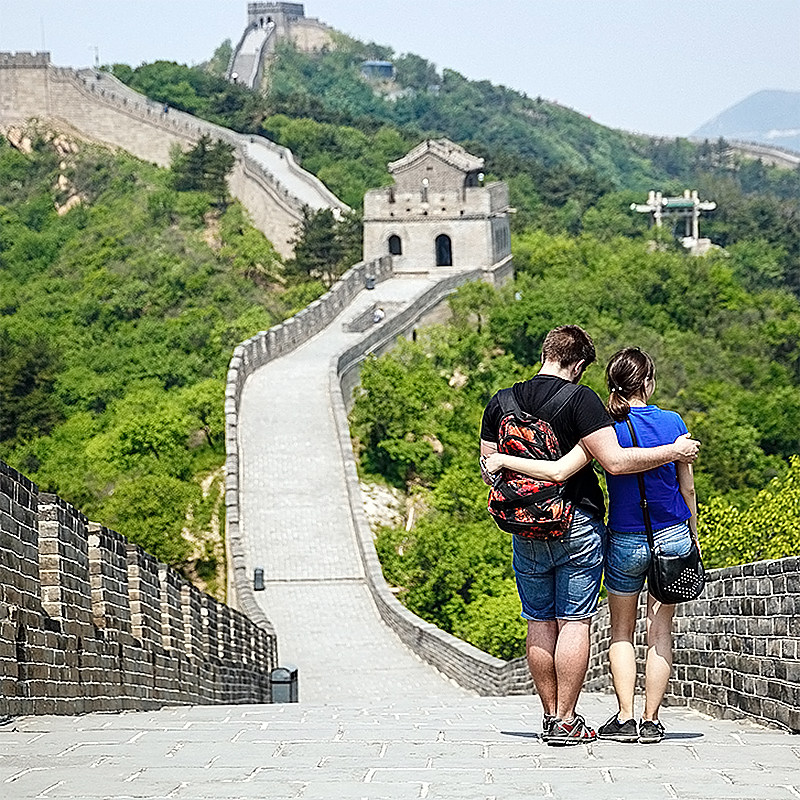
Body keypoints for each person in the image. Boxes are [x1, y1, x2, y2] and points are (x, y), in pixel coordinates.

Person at [480, 327, 699, 746]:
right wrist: (675, 451)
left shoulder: (501, 401)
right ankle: (569, 719)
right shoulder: (582, 401)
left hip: (524, 526)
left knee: (538, 620)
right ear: (578, 364)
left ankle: (550, 717)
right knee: (575, 620)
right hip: (577, 523)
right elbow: (614, 462)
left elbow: (488, 464)